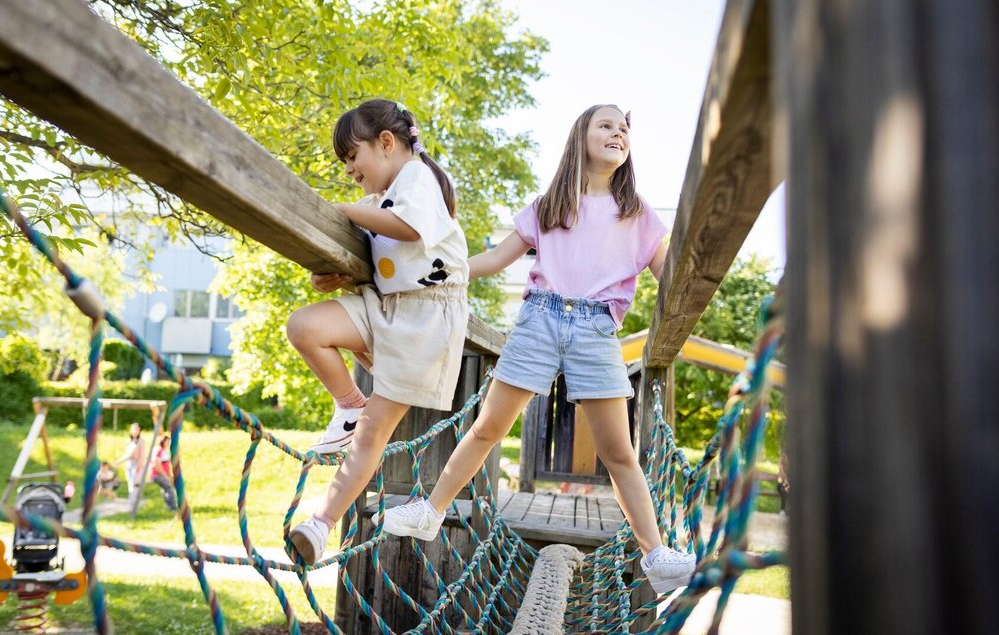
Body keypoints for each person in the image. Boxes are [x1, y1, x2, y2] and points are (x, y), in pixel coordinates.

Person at [377, 105, 697, 594]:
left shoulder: (638, 214)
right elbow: (491, 258)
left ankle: (654, 554)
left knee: (618, 453)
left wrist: (700, 280)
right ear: (581, 138)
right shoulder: (550, 205)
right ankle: (431, 510)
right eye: (606, 125)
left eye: (625, 128)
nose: (618, 133)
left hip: (596, 330)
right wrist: (433, 270)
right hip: (539, 319)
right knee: (488, 427)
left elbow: (670, 277)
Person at [286, 99, 469, 565]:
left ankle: (320, 524)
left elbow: (407, 229)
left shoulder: (417, 179)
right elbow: (372, 257)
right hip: (383, 308)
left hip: (426, 320)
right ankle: (349, 403)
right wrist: (333, 275)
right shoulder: (377, 200)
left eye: (352, 156)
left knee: (373, 435)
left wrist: (345, 210)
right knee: (304, 325)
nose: (349, 169)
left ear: (387, 143)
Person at [115, 422, 146, 498]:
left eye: (136, 429)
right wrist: (118, 462)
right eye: (133, 429)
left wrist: (139, 465)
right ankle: (132, 498)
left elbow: (142, 455)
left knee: (135, 482)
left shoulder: (141, 441)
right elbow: (127, 454)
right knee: (130, 481)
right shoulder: (129, 441)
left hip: (137, 464)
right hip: (129, 464)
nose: (134, 431)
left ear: (139, 430)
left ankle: (134, 499)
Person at [150, 435, 178, 512]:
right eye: (166, 441)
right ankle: (173, 507)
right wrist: (166, 476)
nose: (168, 443)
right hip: (157, 475)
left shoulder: (163, 450)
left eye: (169, 441)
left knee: (166, 488)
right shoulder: (159, 450)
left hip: (163, 474)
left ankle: (169, 506)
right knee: (168, 487)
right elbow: (158, 465)